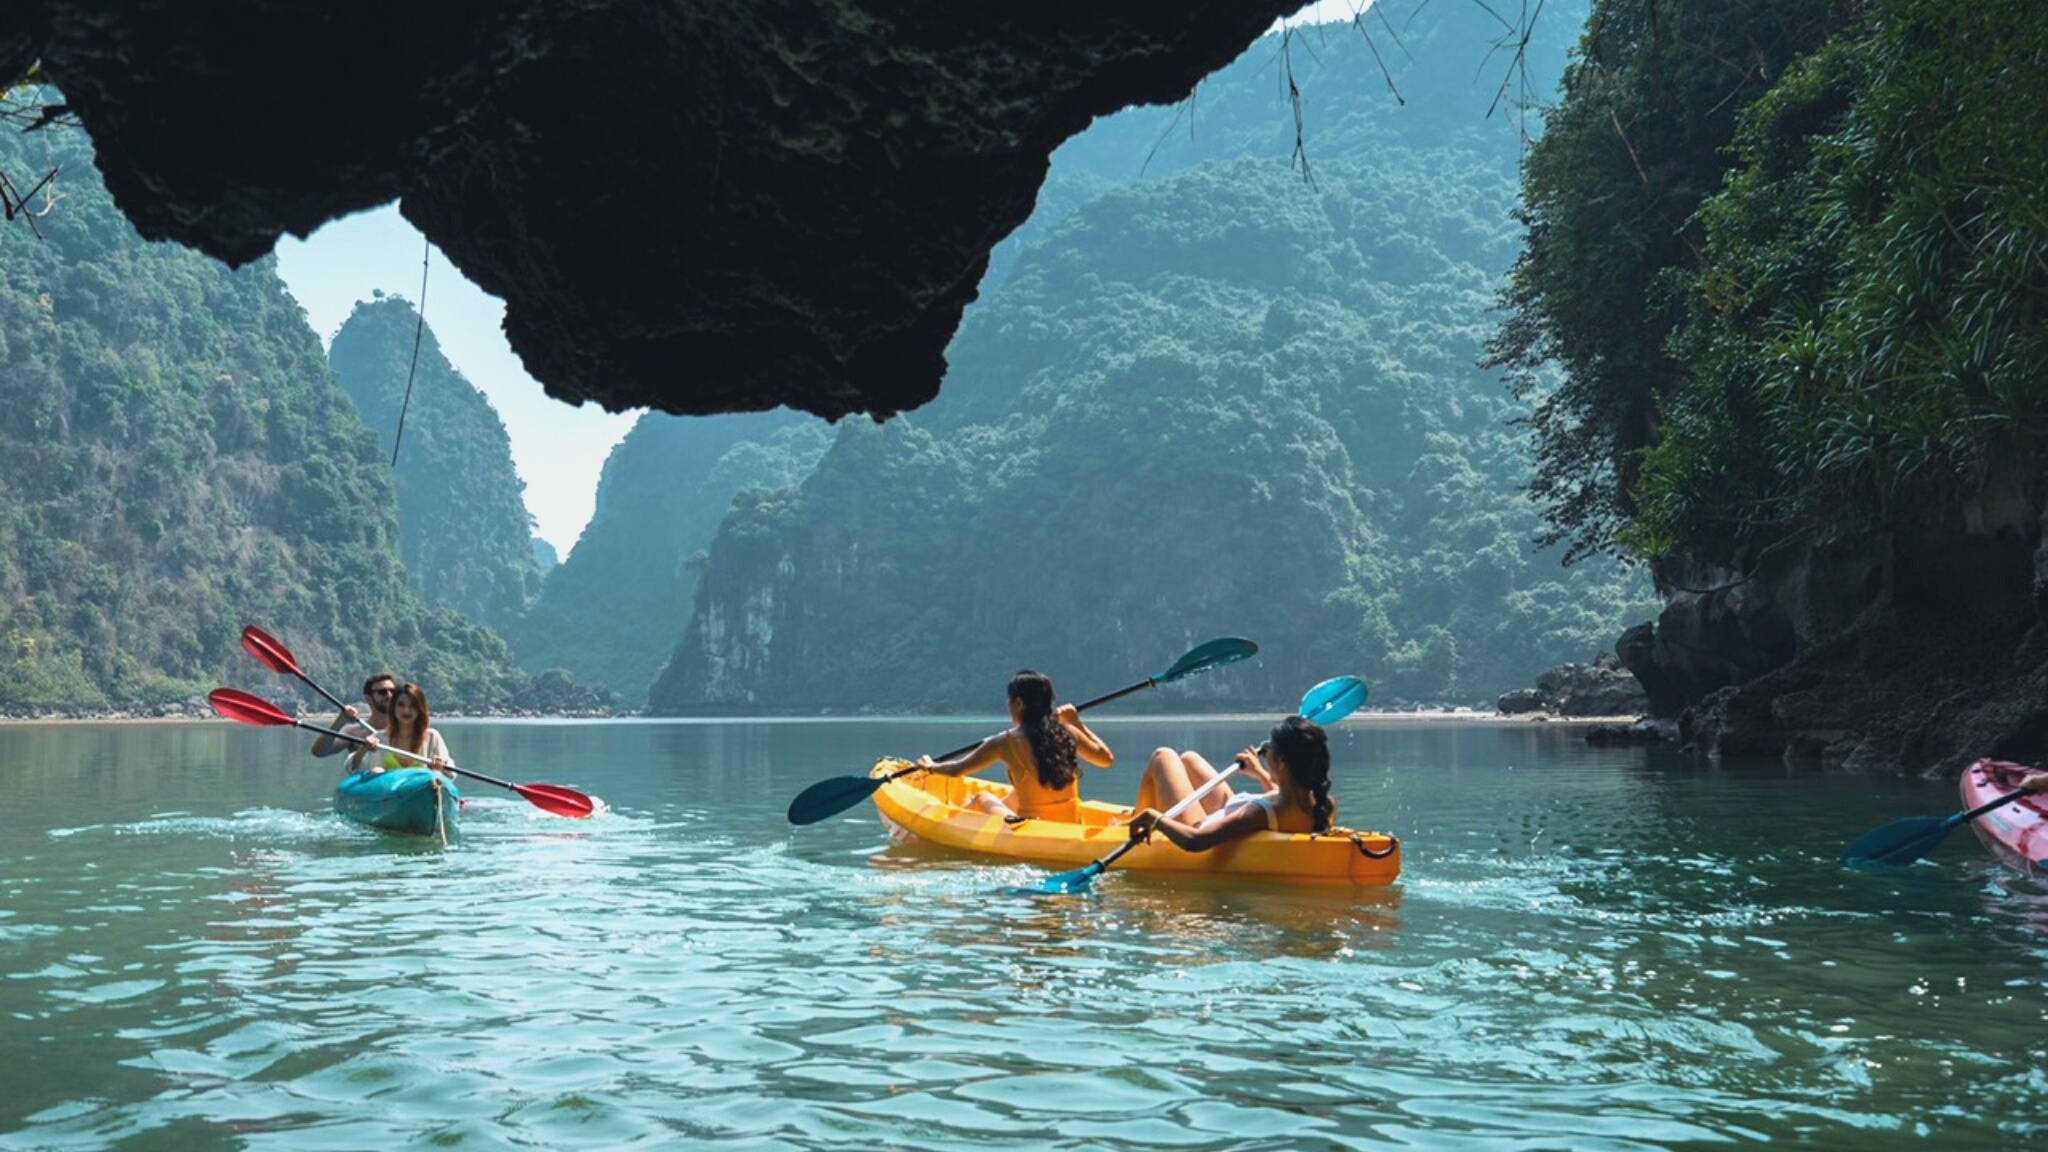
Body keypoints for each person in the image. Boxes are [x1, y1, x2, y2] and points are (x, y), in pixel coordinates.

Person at [915, 669, 1114, 822]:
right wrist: (1076, 723)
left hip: (1031, 828)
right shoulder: (1067, 731)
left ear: (1018, 704)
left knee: (981, 797)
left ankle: (965, 819)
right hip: (1072, 824)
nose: (1008, 706)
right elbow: (1106, 759)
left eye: (1009, 701)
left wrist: (930, 765)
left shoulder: (1004, 742)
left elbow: (956, 770)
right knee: (1016, 793)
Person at [1124, 714, 1335, 852]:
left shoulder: (1258, 813)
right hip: (1228, 811)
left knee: (1164, 756)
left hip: (1198, 826)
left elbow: (1195, 841)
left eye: (1270, 749)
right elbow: (1283, 802)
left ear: (1281, 763)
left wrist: (1154, 817)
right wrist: (1260, 774)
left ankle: (1135, 821)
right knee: (1189, 758)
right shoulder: (1322, 803)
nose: (1265, 753)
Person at [350, 683, 455, 777]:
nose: (406, 710)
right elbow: (352, 767)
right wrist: (364, 748)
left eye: (412, 706)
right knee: (377, 771)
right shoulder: (379, 738)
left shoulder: (432, 736)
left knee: (436, 774)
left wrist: (441, 765)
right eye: (401, 705)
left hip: (421, 792)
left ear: (420, 709)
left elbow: (451, 773)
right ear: (393, 708)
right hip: (388, 794)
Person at [311, 670, 398, 760]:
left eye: (393, 691)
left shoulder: (407, 729)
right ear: (368, 699)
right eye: (382, 692)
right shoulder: (354, 732)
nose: (390, 695)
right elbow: (319, 752)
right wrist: (340, 720)